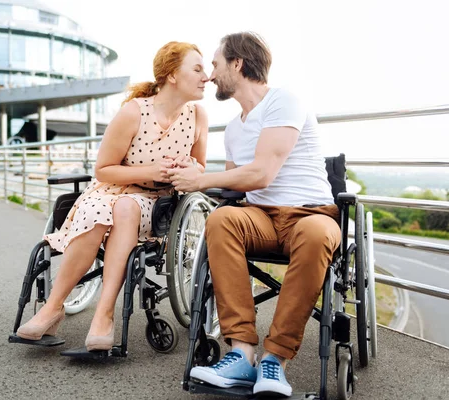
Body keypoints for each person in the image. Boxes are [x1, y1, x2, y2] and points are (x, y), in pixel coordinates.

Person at [168, 32, 341, 397]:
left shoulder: (283, 101)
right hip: (260, 216)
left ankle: (275, 360)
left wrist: (200, 180)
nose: (211, 74)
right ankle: (241, 353)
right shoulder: (233, 128)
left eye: (215, 64)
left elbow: (262, 172)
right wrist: (190, 172)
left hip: (309, 215)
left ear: (238, 64)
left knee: (316, 235)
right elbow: (237, 184)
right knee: (221, 219)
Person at [16, 41, 209, 351]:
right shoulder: (133, 113)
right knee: (104, 209)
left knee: (127, 208)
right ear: (172, 75)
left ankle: (104, 316)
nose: (206, 76)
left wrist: (191, 166)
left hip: (157, 205)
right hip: (110, 191)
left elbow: (199, 165)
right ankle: (53, 308)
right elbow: (104, 170)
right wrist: (149, 171)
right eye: (197, 69)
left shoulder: (197, 115)